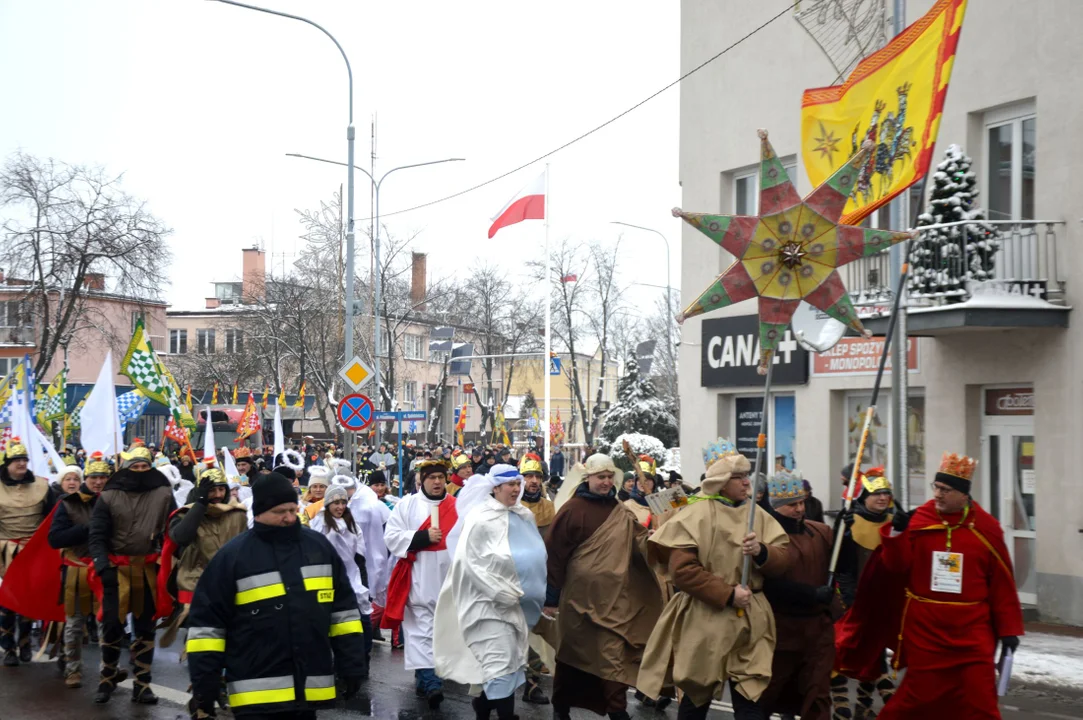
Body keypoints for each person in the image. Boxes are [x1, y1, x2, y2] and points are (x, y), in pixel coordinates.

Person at [185, 472, 366, 719]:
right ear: (258, 512)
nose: (289, 518)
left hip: (307, 693)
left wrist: (352, 665)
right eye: (280, 511)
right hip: (254, 696)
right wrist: (206, 682)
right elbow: (207, 629)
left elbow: (343, 614)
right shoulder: (233, 557)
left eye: (293, 509)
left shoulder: (319, 548)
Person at [637, 439, 790, 720]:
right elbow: (683, 571)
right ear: (721, 480)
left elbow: (783, 558)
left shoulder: (758, 515)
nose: (747, 483)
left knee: (751, 698)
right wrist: (729, 594)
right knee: (697, 698)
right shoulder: (695, 513)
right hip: (706, 617)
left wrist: (762, 552)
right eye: (739, 477)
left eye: (747, 476)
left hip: (751, 619)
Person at [871, 453, 1024, 719]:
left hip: (973, 633)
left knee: (980, 701)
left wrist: (1009, 629)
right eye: (936, 487)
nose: (938, 495)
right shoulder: (919, 519)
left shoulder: (986, 528)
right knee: (916, 700)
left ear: (964, 494)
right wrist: (896, 533)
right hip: (927, 631)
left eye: (946, 490)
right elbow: (895, 568)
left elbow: (1002, 583)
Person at [545, 453, 664, 720]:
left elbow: (638, 543)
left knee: (613, 657)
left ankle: (617, 711)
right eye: (601, 477)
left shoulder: (619, 510)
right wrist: (551, 598)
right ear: (588, 479)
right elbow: (555, 555)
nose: (607, 482)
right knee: (571, 656)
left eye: (610, 477)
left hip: (615, 602)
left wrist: (655, 539)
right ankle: (560, 709)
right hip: (579, 601)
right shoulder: (572, 510)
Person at [434, 465, 547, 720]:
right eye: (511, 485)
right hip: (487, 606)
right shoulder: (480, 518)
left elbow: (537, 555)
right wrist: (498, 592)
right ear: (495, 487)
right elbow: (468, 562)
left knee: (511, 662)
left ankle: (483, 706)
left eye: (518, 484)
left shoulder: (524, 516)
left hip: (518, 605)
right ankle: (504, 715)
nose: (517, 489)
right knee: (501, 662)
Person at [87, 441, 176, 704]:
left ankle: (142, 684)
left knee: (145, 627)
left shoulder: (163, 493)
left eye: (144, 466)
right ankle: (107, 676)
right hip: (116, 569)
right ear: (126, 468)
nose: (139, 471)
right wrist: (102, 565)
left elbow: (173, 528)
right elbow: (97, 534)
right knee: (112, 625)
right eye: (134, 466)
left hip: (148, 568)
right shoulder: (109, 496)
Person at [758, 471, 835, 720]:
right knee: (769, 693)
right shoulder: (765, 537)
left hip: (817, 629)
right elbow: (769, 584)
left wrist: (850, 531)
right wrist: (810, 594)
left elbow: (842, 566)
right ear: (777, 506)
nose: (800, 509)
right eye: (793, 505)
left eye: (802, 502)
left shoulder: (821, 532)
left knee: (818, 694)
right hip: (781, 629)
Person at [382, 459, 458, 708]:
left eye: (440, 477)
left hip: (448, 582)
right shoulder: (408, 505)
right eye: (431, 477)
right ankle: (432, 682)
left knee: (440, 635)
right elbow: (391, 536)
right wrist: (421, 537)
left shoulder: (457, 507)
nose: (437, 482)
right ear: (422, 480)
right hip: (419, 580)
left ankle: (423, 678)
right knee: (420, 633)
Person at [161, 465, 248, 668]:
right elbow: (180, 536)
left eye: (221, 489)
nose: (217, 495)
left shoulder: (237, 514)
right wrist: (199, 504)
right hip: (195, 587)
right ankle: (200, 691)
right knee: (202, 646)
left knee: (230, 643)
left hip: (229, 587)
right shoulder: (184, 514)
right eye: (211, 490)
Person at [831, 467, 897, 719]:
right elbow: (839, 564)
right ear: (864, 497)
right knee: (844, 647)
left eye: (886, 493)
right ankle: (841, 700)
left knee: (875, 650)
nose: (882, 498)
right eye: (877, 493)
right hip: (853, 598)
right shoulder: (851, 520)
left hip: (882, 598)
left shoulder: (892, 520)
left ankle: (863, 702)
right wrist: (842, 531)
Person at [47, 454, 111, 688]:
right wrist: (86, 529)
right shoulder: (68, 503)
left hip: (105, 567)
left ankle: (108, 670)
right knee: (74, 623)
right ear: (88, 478)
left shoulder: (113, 500)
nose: (98, 481)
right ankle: (73, 670)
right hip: (77, 570)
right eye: (94, 477)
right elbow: (54, 539)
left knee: (108, 622)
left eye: (103, 477)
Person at [0, 437, 59, 666]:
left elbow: (51, 519)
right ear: (7, 463)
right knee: (7, 601)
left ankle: (24, 643)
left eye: (24, 459)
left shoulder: (42, 486)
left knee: (27, 599)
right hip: (4, 551)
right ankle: (8, 647)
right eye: (17, 460)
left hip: (32, 551)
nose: (22, 464)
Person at [311, 484, 373, 671]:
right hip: (327, 581)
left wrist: (362, 581)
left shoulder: (352, 524)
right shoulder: (320, 523)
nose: (339, 507)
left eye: (343, 502)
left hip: (352, 579)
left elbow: (360, 554)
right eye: (336, 503)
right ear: (328, 504)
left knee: (362, 620)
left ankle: (361, 660)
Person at [518, 453, 555, 539]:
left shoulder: (549, 506)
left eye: (538, 477)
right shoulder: (513, 505)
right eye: (529, 476)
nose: (534, 481)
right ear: (521, 479)